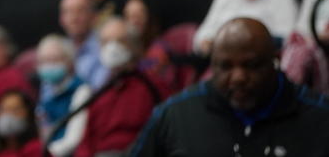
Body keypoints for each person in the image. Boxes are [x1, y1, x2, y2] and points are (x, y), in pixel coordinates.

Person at [132, 18, 329, 156]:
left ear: (275, 60)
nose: (238, 77)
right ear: (212, 66)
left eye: (251, 65)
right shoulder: (176, 116)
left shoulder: (319, 117)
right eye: (225, 66)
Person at [71, 17, 164, 156]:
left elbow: (164, 134)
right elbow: (86, 143)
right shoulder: (100, 93)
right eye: (105, 42)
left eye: (120, 41)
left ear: (134, 46)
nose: (112, 47)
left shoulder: (152, 87)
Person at [33, 35, 91, 157]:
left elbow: (73, 140)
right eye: (45, 61)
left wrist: (45, 153)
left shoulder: (82, 91)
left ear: (70, 61)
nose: (49, 65)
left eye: (55, 59)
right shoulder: (46, 93)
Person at [0, 90, 45, 157]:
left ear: (29, 114)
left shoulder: (37, 150)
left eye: (15, 110)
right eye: (3, 110)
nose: (8, 115)